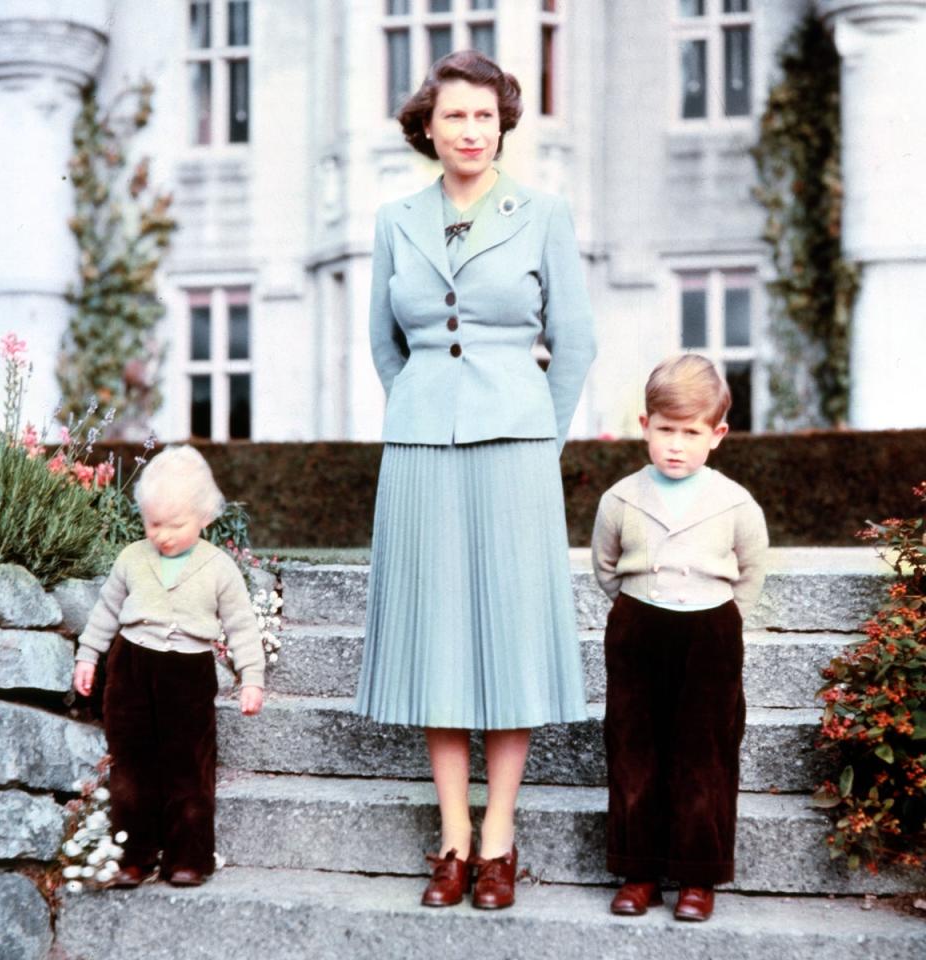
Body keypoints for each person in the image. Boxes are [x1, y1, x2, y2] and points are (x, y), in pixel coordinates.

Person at [354, 49, 597, 910]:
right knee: (437, 637)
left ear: (503, 127)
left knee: (510, 632)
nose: (470, 130)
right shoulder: (394, 219)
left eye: (485, 117)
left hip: (515, 449)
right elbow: (387, 344)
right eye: (454, 115)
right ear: (427, 123)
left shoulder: (543, 213)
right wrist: (428, 406)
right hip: (421, 449)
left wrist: (539, 436)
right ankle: (452, 838)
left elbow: (574, 344)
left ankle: (501, 841)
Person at [591, 354, 769, 921]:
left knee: (705, 754)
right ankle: (638, 870)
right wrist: (641, 605)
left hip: (709, 633)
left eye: (690, 433)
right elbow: (605, 566)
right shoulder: (620, 499)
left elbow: (750, 572)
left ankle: (698, 877)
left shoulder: (735, 503)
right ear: (644, 426)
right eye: (665, 430)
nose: (675, 445)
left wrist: (717, 617)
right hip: (640, 627)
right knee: (633, 748)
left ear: (716, 436)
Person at [72, 445, 265, 888]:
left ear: (204, 517)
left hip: (187, 675)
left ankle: (188, 856)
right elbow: (104, 612)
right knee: (131, 765)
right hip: (131, 667)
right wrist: (88, 656)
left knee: (187, 766)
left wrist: (251, 677)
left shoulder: (218, 568)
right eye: (153, 523)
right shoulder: (132, 558)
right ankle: (134, 854)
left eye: (175, 524)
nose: (162, 535)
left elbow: (241, 626)